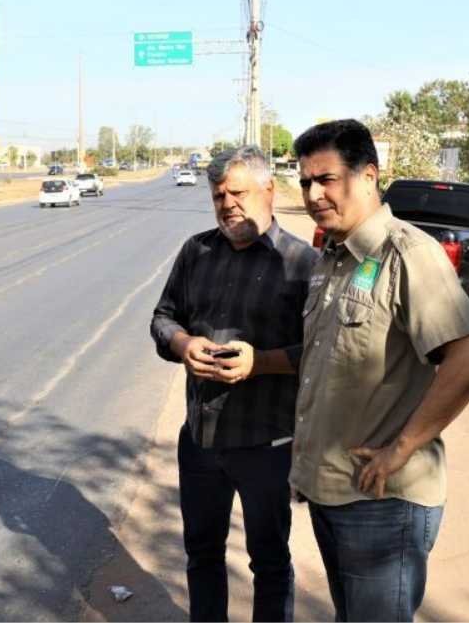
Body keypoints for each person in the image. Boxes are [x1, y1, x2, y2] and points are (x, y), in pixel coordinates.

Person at [290, 119, 469, 622]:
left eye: (327, 179)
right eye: (305, 182)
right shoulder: (332, 258)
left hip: (383, 503)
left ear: (367, 177)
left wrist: (400, 449)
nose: (314, 193)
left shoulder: (408, 254)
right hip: (333, 491)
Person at [150, 146, 318, 622]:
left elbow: (325, 356)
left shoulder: (304, 264)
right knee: (202, 555)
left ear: (269, 189)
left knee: (268, 562)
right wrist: (183, 345)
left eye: (238, 192)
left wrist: (259, 362)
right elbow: (163, 318)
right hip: (201, 441)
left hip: (267, 444)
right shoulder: (196, 252)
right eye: (219, 195)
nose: (228, 204)